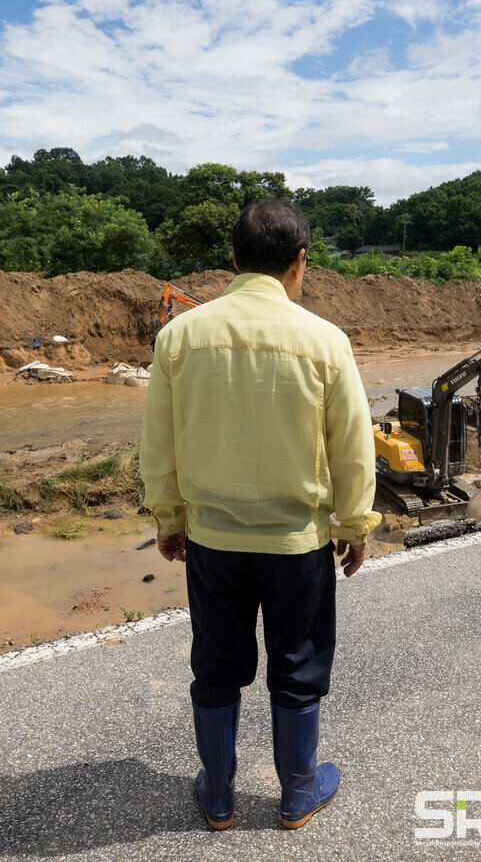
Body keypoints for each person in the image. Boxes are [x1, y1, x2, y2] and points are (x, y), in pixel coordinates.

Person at [139, 199, 381, 831]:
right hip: (298, 546)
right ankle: (298, 791)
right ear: (300, 262)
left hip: (212, 543)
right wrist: (354, 526)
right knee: (297, 669)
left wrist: (168, 518)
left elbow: (158, 444)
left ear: (233, 259)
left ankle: (217, 795)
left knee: (217, 665)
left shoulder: (179, 336)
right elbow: (354, 447)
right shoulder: (325, 340)